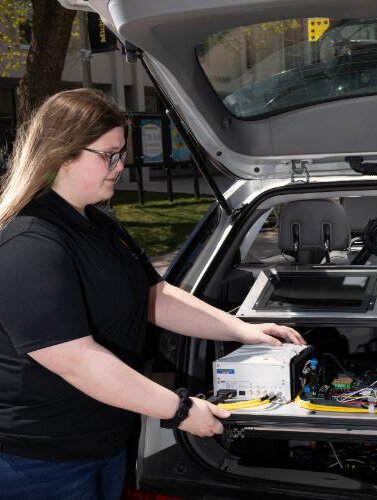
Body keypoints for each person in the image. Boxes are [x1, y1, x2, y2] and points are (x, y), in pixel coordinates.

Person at [0, 88, 305, 499]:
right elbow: (75, 359)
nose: (120, 166)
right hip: (39, 461)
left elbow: (156, 296)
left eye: (121, 153)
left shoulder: (99, 225)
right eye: (108, 155)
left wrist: (244, 331)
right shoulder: (28, 243)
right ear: (64, 154)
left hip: (104, 441)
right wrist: (178, 410)